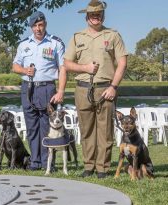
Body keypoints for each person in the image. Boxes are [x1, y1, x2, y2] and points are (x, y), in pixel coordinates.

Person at [63, 0, 127, 179]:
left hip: (106, 89)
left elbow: (122, 62)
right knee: (86, 130)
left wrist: (114, 86)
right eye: (92, 14)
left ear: (103, 16)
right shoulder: (77, 37)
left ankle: (103, 168)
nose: (95, 17)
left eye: (98, 14)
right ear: (87, 17)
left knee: (105, 130)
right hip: (83, 89)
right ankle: (88, 165)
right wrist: (85, 68)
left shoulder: (113, 35)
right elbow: (67, 63)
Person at [12, 11, 66, 171]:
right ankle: (35, 162)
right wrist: (24, 70)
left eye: (40, 25)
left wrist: (61, 91)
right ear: (31, 27)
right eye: (35, 26)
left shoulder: (55, 43)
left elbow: (63, 68)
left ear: (45, 25)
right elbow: (15, 66)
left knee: (47, 126)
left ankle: (47, 162)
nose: (38, 28)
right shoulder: (23, 44)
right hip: (28, 88)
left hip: (47, 88)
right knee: (32, 126)